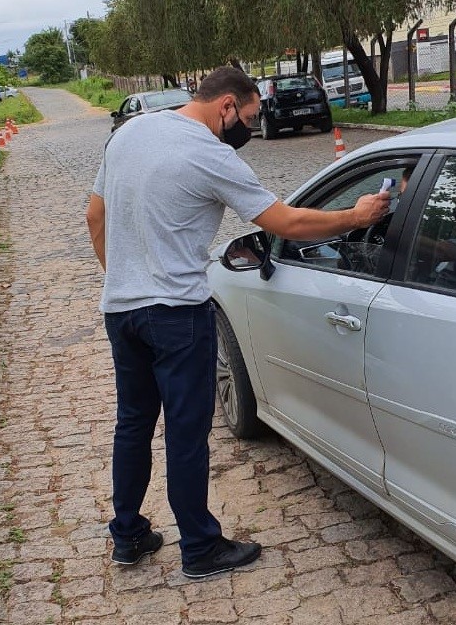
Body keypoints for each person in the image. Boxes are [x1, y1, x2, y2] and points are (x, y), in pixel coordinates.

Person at [85, 66, 388, 579]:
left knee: (133, 424)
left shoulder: (129, 133)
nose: (248, 128)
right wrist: (355, 218)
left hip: (122, 311)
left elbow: (95, 217)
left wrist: (127, 280)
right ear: (226, 106)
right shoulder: (208, 153)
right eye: (247, 117)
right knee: (186, 432)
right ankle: (200, 549)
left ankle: (129, 537)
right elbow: (286, 223)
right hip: (177, 315)